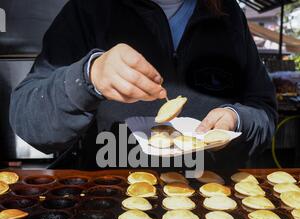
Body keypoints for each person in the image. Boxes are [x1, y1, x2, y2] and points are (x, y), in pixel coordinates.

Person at [9, 0, 277, 170]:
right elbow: (27, 120)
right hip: (112, 205)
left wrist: (237, 118)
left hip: (211, 210)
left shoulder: (227, 14)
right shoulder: (89, 10)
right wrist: (88, 77)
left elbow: (263, 111)